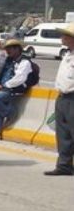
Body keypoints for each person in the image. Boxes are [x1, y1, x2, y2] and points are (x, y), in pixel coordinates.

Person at [0, 39, 35, 140]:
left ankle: (11, 113)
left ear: (17, 49)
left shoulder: (24, 61)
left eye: (10, 48)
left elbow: (20, 78)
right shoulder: (8, 60)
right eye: (7, 48)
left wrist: (5, 85)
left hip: (14, 90)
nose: (8, 51)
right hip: (6, 89)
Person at [44, 24, 74, 176]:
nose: (62, 38)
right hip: (62, 97)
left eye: (65, 35)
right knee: (63, 134)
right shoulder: (67, 55)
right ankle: (64, 165)